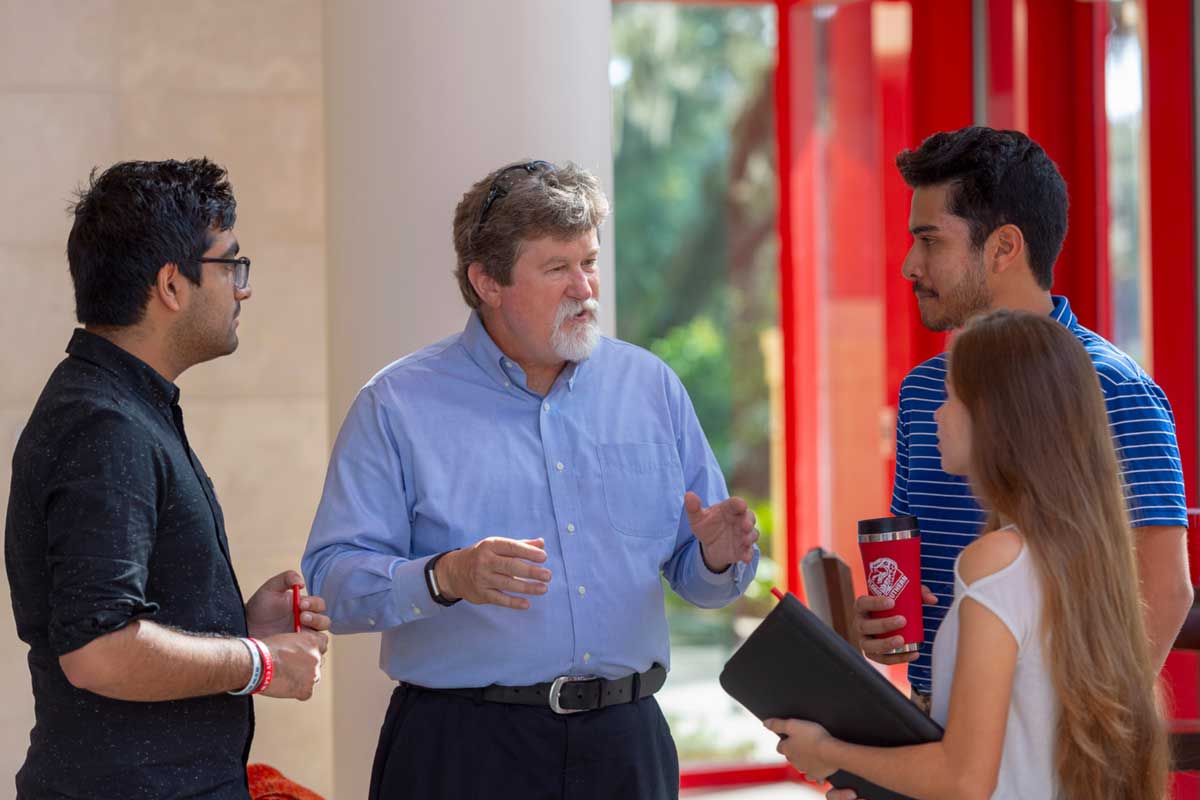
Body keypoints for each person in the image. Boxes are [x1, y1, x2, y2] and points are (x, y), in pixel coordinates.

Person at [302, 159, 760, 800]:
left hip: (627, 748)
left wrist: (714, 557)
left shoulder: (650, 387)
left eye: (590, 262)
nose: (586, 289)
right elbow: (330, 583)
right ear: (486, 281)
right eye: (558, 269)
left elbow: (705, 582)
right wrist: (445, 577)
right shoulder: (396, 404)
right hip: (462, 751)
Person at [5, 159, 330, 799]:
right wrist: (259, 663)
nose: (243, 288)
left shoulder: (122, 404)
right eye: (230, 264)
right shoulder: (106, 424)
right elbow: (99, 648)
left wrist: (233, 626)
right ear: (172, 286)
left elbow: (117, 627)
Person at [768, 309, 1170, 799]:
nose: (937, 412)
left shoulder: (994, 563)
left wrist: (829, 752)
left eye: (953, 397)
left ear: (999, 417)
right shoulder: (1086, 554)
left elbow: (964, 780)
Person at [855, 126, 1190, 701]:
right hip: (931, 729)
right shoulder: (921, 393)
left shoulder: (1113, 387)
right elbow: (911, 570)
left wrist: (1076, 737)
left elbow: (1164, 590)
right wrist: (881, 622)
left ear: (1005, 247)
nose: (910, 265)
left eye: (930, 240)